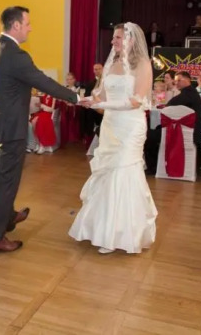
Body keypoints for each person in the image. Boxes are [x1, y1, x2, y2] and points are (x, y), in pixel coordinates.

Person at [0, 6, 80, 254]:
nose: (30, 28)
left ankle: (9, 217)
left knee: (0, 180)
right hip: (10, 130)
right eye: (27, 24)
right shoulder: (17, 55)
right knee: (7, 184)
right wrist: (76, 97)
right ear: (16, 25)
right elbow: (43, 82)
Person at [68, 22, 157, 254]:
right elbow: (101, 98)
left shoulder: (142, 64)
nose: (112, 41)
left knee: (123, 171)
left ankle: (121, 234)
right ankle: (102, 230)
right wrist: (85, 100)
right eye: (113, 38)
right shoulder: (112, 64)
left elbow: (137, 101)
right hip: (110, 126)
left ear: (130, 40)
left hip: (130, 127)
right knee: (108, 173)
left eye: (117, 38)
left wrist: (104, 105)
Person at [167, 71, 201, 167]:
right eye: (175, 81)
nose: (176, 83)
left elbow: (170, 104)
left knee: (151, 136)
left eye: (179, 80)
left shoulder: (188, 94)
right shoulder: (190, 92)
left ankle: (154, 167)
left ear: (188, 80)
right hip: (189, 130)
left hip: (188, 132)